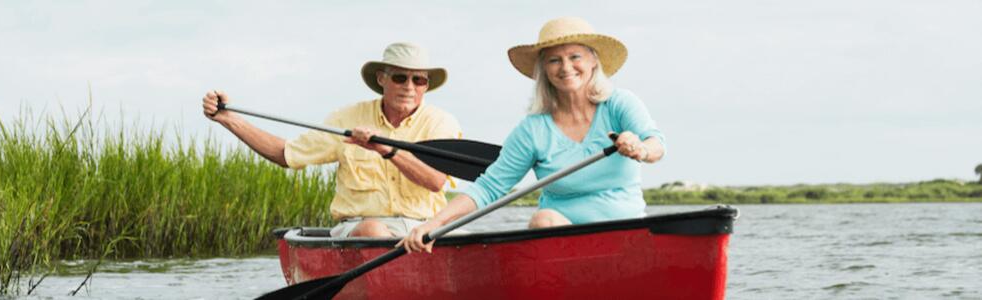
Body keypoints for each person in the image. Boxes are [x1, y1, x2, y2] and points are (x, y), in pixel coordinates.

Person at [398, 17, 666, 253]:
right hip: (565, 246)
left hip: (629, 235)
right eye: (554, 60)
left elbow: (656, 145)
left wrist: (640, 149)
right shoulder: (533, 129)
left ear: (593, 60)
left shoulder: (619, 103)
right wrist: (434, 224)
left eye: (575, 56)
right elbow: (490, 187)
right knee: (543, 218)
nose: (565, 66)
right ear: (544, 70)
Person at [202, 42, 462, 238]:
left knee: (470, 236)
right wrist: (229, 119)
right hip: (359, 228)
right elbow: (285, 154)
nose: (409, 86)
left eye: (418, 80)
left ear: (426, 86)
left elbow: (435, 181)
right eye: (399, 77)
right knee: (373, 230)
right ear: (382, 79)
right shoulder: (346, 118)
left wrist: (385, 149)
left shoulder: (442, 122)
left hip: (427, 226)